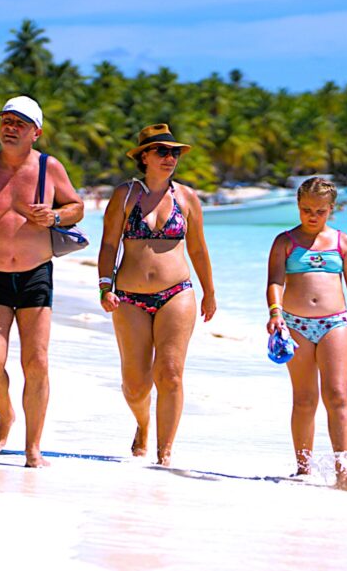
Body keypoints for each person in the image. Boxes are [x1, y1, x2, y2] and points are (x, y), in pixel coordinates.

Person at [0, 95, 84, 467]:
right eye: (6, 120)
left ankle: (33, 448)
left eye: (19, 123)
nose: (10, 127)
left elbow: (76, 207)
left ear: (35, 132)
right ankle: (6, 414)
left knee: (36, 362)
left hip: (36, 273)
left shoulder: (49, 169)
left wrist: (54, 218)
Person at [97, 124, 217, 466]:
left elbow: (198, 249)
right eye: (162, 151)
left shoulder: (188, 198)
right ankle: (143, 425)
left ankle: (165, 455)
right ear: (144, 156)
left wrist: (209, 290)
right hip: (129, 297)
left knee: (171, 373)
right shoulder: (125, 195)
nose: (170, 158)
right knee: (135, 384)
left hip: (177, 293)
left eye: (174, 152)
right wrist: (105, 285)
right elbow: (108, 243)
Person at [266, 177, 347, 490]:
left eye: (319, 210)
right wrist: (275, 314)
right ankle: (303, 468)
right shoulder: (285, 241)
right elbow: (275, 281)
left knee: (338, 395)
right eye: (306, 209)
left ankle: (343, 469)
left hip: (335, 324)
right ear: (298, 206)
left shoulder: (342, 243)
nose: (312, 215)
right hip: (295, 325)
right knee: (305, 399)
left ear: (332, 209)